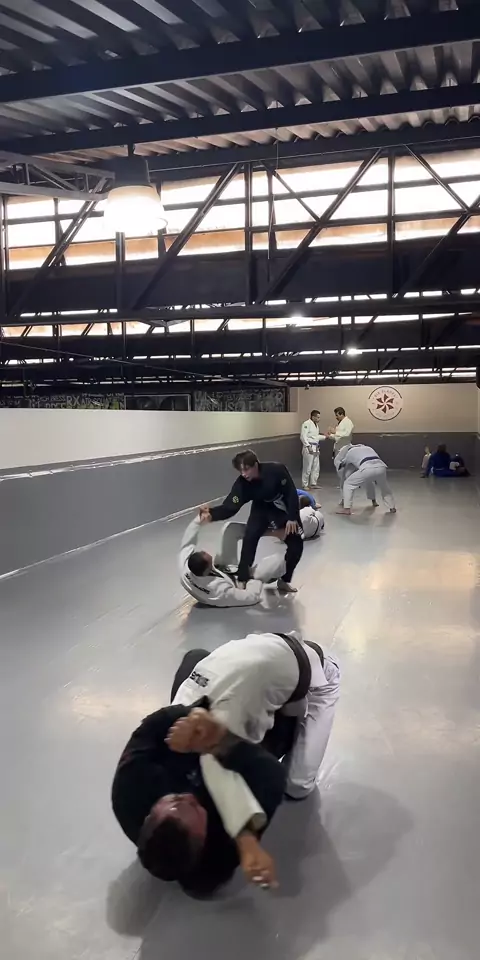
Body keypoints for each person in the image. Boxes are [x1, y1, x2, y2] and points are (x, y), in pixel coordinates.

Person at [111, 692, 285, 895]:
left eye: (176, 798)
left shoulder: (128, 794)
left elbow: (152, 725)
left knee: (198, 679)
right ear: (203, 839)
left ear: (151, 814)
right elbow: (273, 776)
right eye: (196, 808)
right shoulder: (218, 857)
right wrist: (219, 739)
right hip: (247, 742)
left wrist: (193, 722)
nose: (189, 797)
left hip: (195, 715)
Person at [172, 631, 340, 802]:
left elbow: (296, 709)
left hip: (307, 663)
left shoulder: (233, 726)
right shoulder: (172, 720)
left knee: (298, 785)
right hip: (256, 654)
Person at [199, 449, 303, 594]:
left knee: (296, 545)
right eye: (240, 470)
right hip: (260, 509)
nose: (244, 474)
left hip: (281, 508)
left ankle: (284, 580)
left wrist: (292, 517)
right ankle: (242, 578)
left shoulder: (277, 470)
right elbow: (230, 506)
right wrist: (211, 514)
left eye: (247, 469)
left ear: (256, 464)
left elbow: (291, 493)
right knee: (250, 536)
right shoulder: (242, 484)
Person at [179, 515, 286, 607]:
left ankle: (276, 532)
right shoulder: (220, 592)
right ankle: (280, 576)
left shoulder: (185, 568)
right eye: (208, 558)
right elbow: (251, 597)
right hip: (241, 583)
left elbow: (187, 541)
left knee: (229, 529)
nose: (209, 553)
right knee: (279, 560)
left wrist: (198, 519)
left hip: (223, 571)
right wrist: (250, 578)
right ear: (207, 570)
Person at [335, 442, 396, 516]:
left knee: (348, 484)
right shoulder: (368, 448)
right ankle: (392, 507)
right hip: (381, 467)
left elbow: (343, 464)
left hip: (366, 468)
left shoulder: (350, 452)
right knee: (384, 487)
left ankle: (347, 509)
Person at [300, 410, 326, 489]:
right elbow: (303, 436)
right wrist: (308, 446)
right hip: (309, 447)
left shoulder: (316, 426)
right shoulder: (306, 424)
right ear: (313, 417)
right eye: (317, 417)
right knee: (307, 467)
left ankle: (313, 483)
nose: (319, 419)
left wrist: (325, 436)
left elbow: (315, 437)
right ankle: (305, 484)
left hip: (316, 447)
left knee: (316, 467)